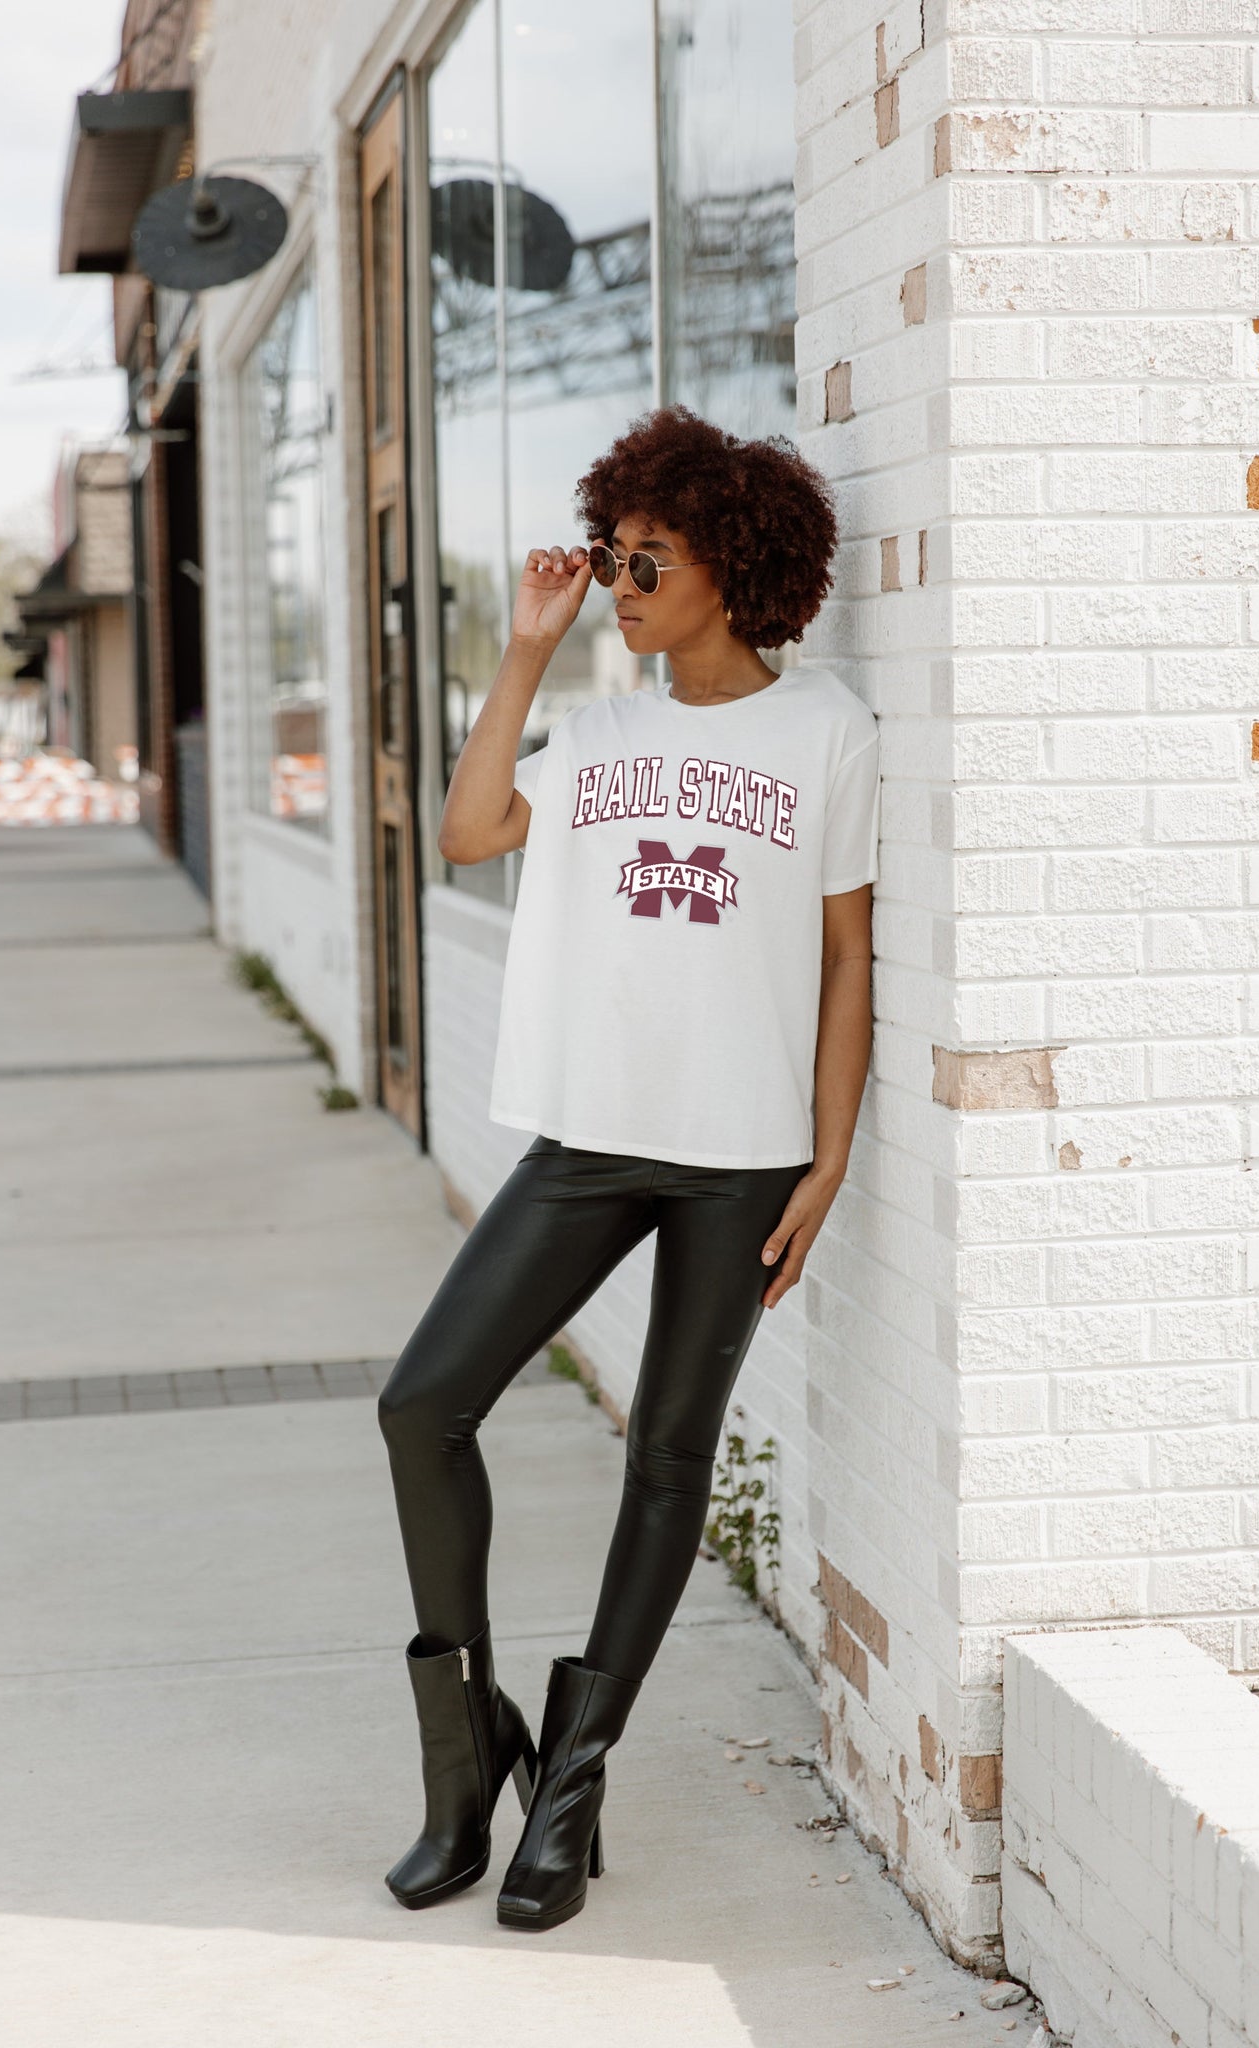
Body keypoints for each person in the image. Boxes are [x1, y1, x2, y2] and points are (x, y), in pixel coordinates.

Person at [377, 404, 880, 1933]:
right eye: (611, 555)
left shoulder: (826, 731)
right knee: (420, 1405)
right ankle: (468, 1761)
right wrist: (528, 649)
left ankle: (572, 1789)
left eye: (646, 556)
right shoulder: (595, 734)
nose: (620, 581)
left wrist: (829, 1159)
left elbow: (847, 959)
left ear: (732, 562)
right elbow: (466, 832)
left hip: (742, 1157)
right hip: (589, 1138)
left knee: (668, 1458)